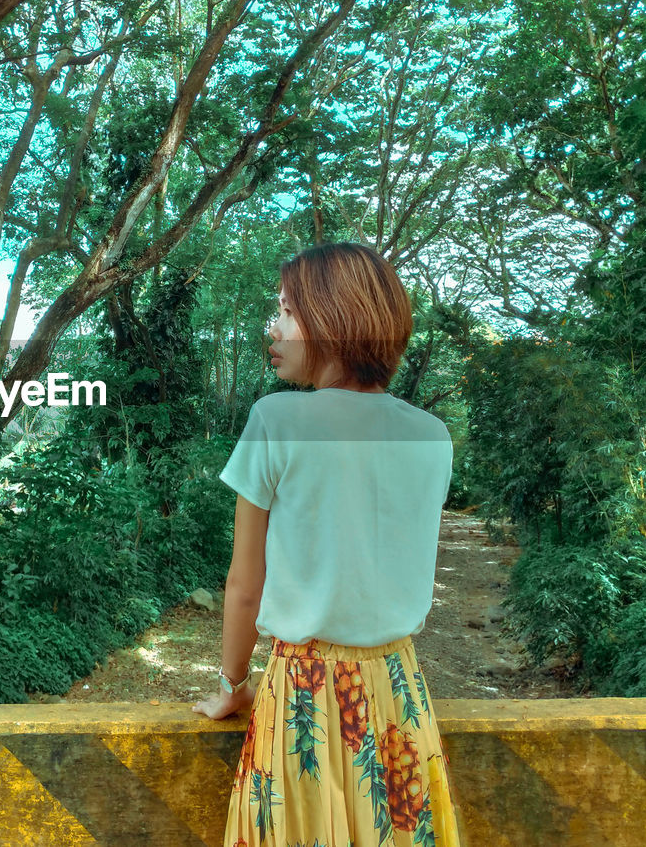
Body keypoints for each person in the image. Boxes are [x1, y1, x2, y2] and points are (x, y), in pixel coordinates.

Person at [191, 241, 461, 847]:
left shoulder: (276, 420)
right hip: (399, 693)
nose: (274, 328)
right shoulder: (432, 436)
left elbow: (244, 585)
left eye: (288, 312)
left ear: (333, 321)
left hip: (302, 697)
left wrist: (233, 686)